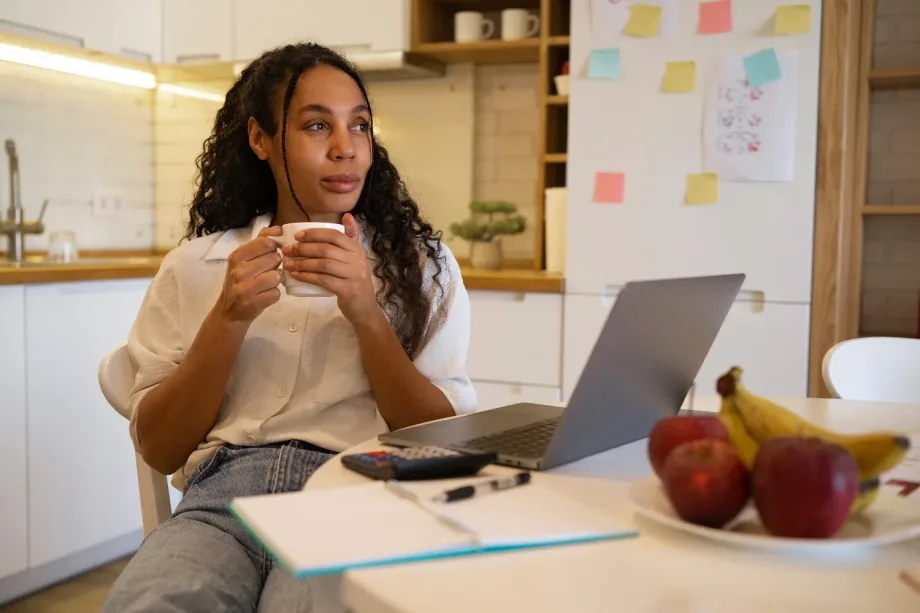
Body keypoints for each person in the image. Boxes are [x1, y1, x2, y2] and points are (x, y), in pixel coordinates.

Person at [102, 42, 476, 612]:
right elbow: (159, 446)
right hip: (221, 505)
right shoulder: (196, 266)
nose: (346, 148)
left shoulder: (421, 267)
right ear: (260, 140)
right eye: (317, 125)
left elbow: (436, 442)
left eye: (360, 126)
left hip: (359, 498)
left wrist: (366, 312)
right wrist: (228, 318)